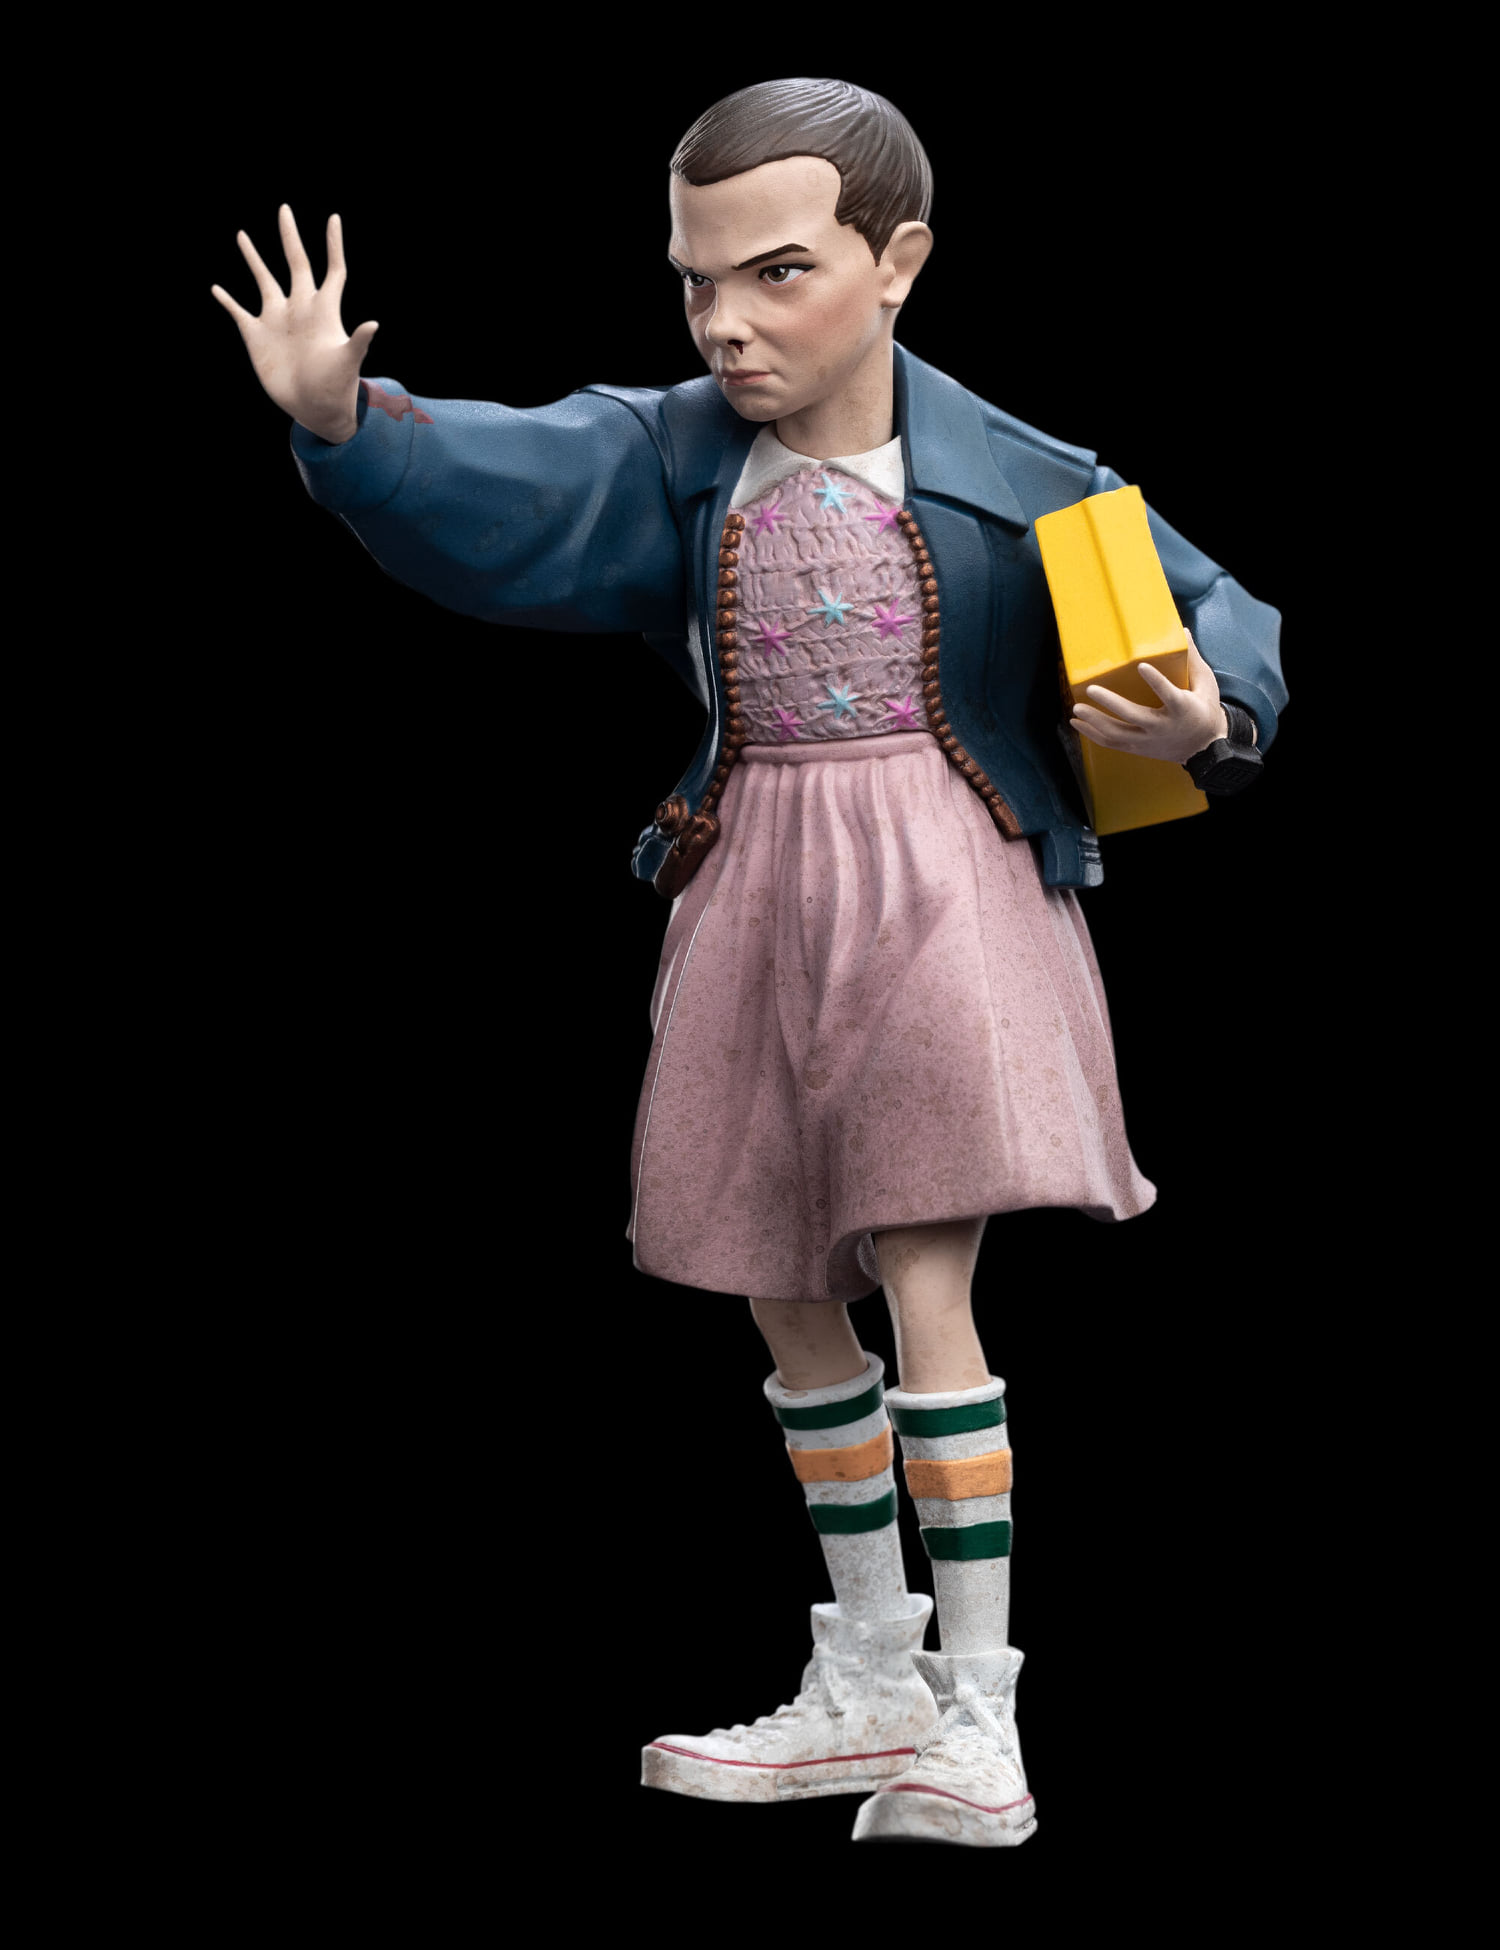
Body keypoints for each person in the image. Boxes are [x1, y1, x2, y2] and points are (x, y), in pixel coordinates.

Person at [212, 77, 1284, 1849]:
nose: (726, 322)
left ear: (898, 262)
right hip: (755, 874)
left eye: (778, 273)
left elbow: (1208, 613)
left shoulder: (1021, 478)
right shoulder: (678, 453)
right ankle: (870, 1671)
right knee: (781, 1269)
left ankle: (984, 1709)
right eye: (697, 279)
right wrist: (352, 425)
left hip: (941, 875)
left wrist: (1208, 713)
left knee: (923, 1259)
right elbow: (518, 472)